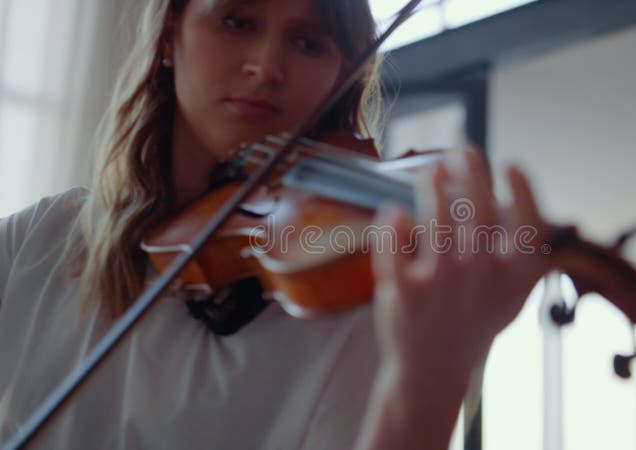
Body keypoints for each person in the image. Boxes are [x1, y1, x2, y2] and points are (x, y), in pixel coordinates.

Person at [0, 0, 549, 448]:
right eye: (237, 21)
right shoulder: (38, 240)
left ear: (342, 71)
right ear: (170, 36)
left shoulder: (351, 310)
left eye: (309, 42)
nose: (267, 66)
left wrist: (431, 373)